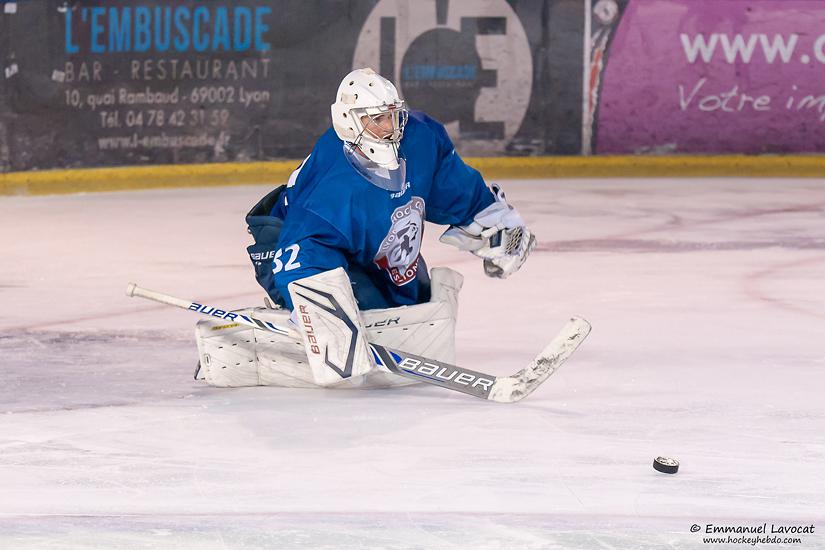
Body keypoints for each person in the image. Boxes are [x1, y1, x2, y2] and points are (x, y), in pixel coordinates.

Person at [194, 68, 535, 389]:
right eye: (377, 120)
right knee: (359, 320)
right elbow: (302, 248)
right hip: (288, 242)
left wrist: (495, 225)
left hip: (370, 247)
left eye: (393, 115)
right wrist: (321, 311)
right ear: (348, 122)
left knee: (409, 306)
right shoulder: (331, 186)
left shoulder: (419, 138)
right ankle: (273, 340)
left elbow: (452, 184)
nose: (390, 127)